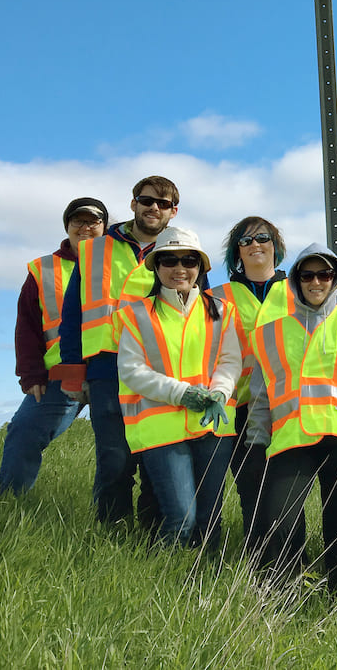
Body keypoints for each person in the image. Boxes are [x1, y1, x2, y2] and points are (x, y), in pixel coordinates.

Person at [245, 244, 337, 591]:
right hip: (291, 439)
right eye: (307, 275)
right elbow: (260, 397)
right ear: (296, 280)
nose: (316, 282)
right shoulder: (270, 333)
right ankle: (284, 594)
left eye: (323, 274)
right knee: (278, 522)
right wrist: (254, 442)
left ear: (335, 278)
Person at [55, 176, 179, 526]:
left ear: (173, 211)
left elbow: (201, 313)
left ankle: (154, 538)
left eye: (163, 203)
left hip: (162, 371)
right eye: (146, 200)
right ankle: (113, 538)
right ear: (133, 204)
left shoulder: (181, 250)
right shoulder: (94, 249)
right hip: (106, 369)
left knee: (157, 459)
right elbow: (72, 315)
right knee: (114, 461)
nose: (154, 207)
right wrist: (73, 371)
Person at [116, 227, 241, 547]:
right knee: (179, 519)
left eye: (189, 260)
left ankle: (206, 591)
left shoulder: (221, 311)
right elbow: (131, 370)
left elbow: (230, 362)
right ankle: (161, 584)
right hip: (163, 430)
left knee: (208, 520)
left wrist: (220, 392)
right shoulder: (137, 314)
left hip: (213, 426)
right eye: (169, 260)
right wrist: (182, 392)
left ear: (200, 268)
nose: (179, 268)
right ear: (156, 267)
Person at [0, 197, 107, 496]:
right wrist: (31, 376)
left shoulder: (119, 263)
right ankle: (8, 503)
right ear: (67, 226)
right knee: (23, 431)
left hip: (111, 371)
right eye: (78, 221)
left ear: (105, 227)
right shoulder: (43, 269)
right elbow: (27, 327)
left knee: (117, 453)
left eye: (93, 221)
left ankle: (111, 522)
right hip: (60, 375)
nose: (85, 227)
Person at [210, 217, 291, 544]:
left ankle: (289, 562)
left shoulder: (298, 291)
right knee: (252, 489)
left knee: (286, 493)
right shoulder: (215, 296)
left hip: (287, 407)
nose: (256, 245)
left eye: (263, 238)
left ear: (276, 246)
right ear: (236, 252)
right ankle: (258, 563)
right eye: (246, 241)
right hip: (238, 406)